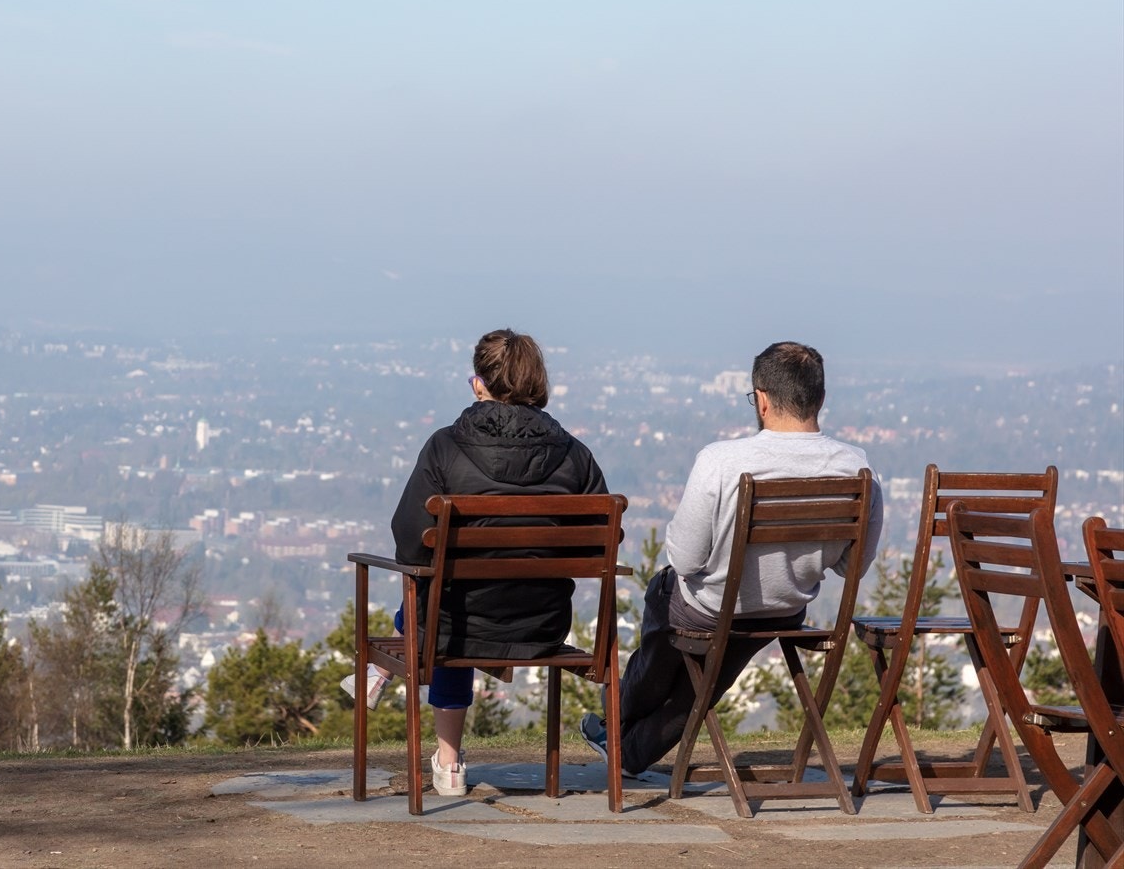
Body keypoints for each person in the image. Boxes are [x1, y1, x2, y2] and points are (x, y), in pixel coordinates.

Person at [579, 341, 883, 777]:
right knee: (712, 668)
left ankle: (617, 717)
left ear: (761, 400)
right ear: (820, 398)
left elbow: (684, 559)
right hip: (784, 611)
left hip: (711, 609)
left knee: (666, 596)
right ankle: (627, 748)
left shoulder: (722, 461)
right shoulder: (860, 469)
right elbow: (852, 565)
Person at [344, 328, 609, 797]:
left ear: (479, 384)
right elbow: (594, 551)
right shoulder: (576, 455)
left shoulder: (445, 448)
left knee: (444, 601)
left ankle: (448, 762)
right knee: (450, 602)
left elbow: (409, 543)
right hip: (542, 625)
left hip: (456, 625)